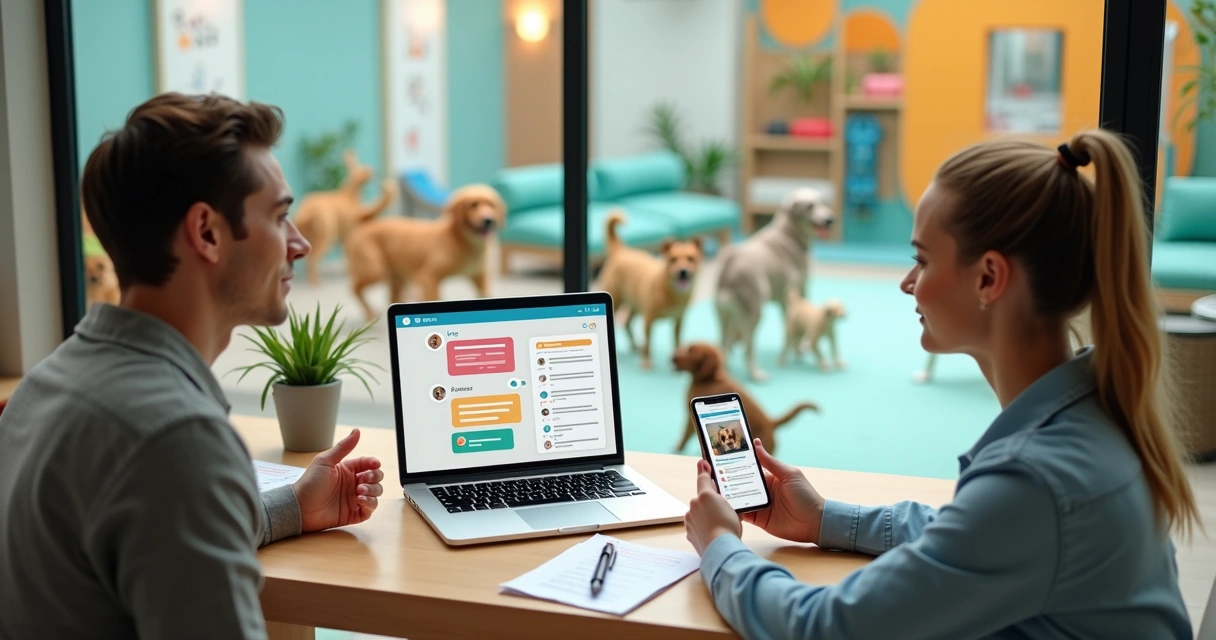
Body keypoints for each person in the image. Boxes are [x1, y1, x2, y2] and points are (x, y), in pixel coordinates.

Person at [684, 129, 1199, 638]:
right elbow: (967, 536)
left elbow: (822, 628)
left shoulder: (1036, 482)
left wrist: (720, 546)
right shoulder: (1091, 413)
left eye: (922, 260)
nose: (907, 283)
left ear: (989, 279)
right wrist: (822, 519)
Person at [0, 93, 385, 639]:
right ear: (206, 232)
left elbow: (146, 535)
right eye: (279, 216)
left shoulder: (46, 385)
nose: (299, 244)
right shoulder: (175, 437)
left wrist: (293, 507)